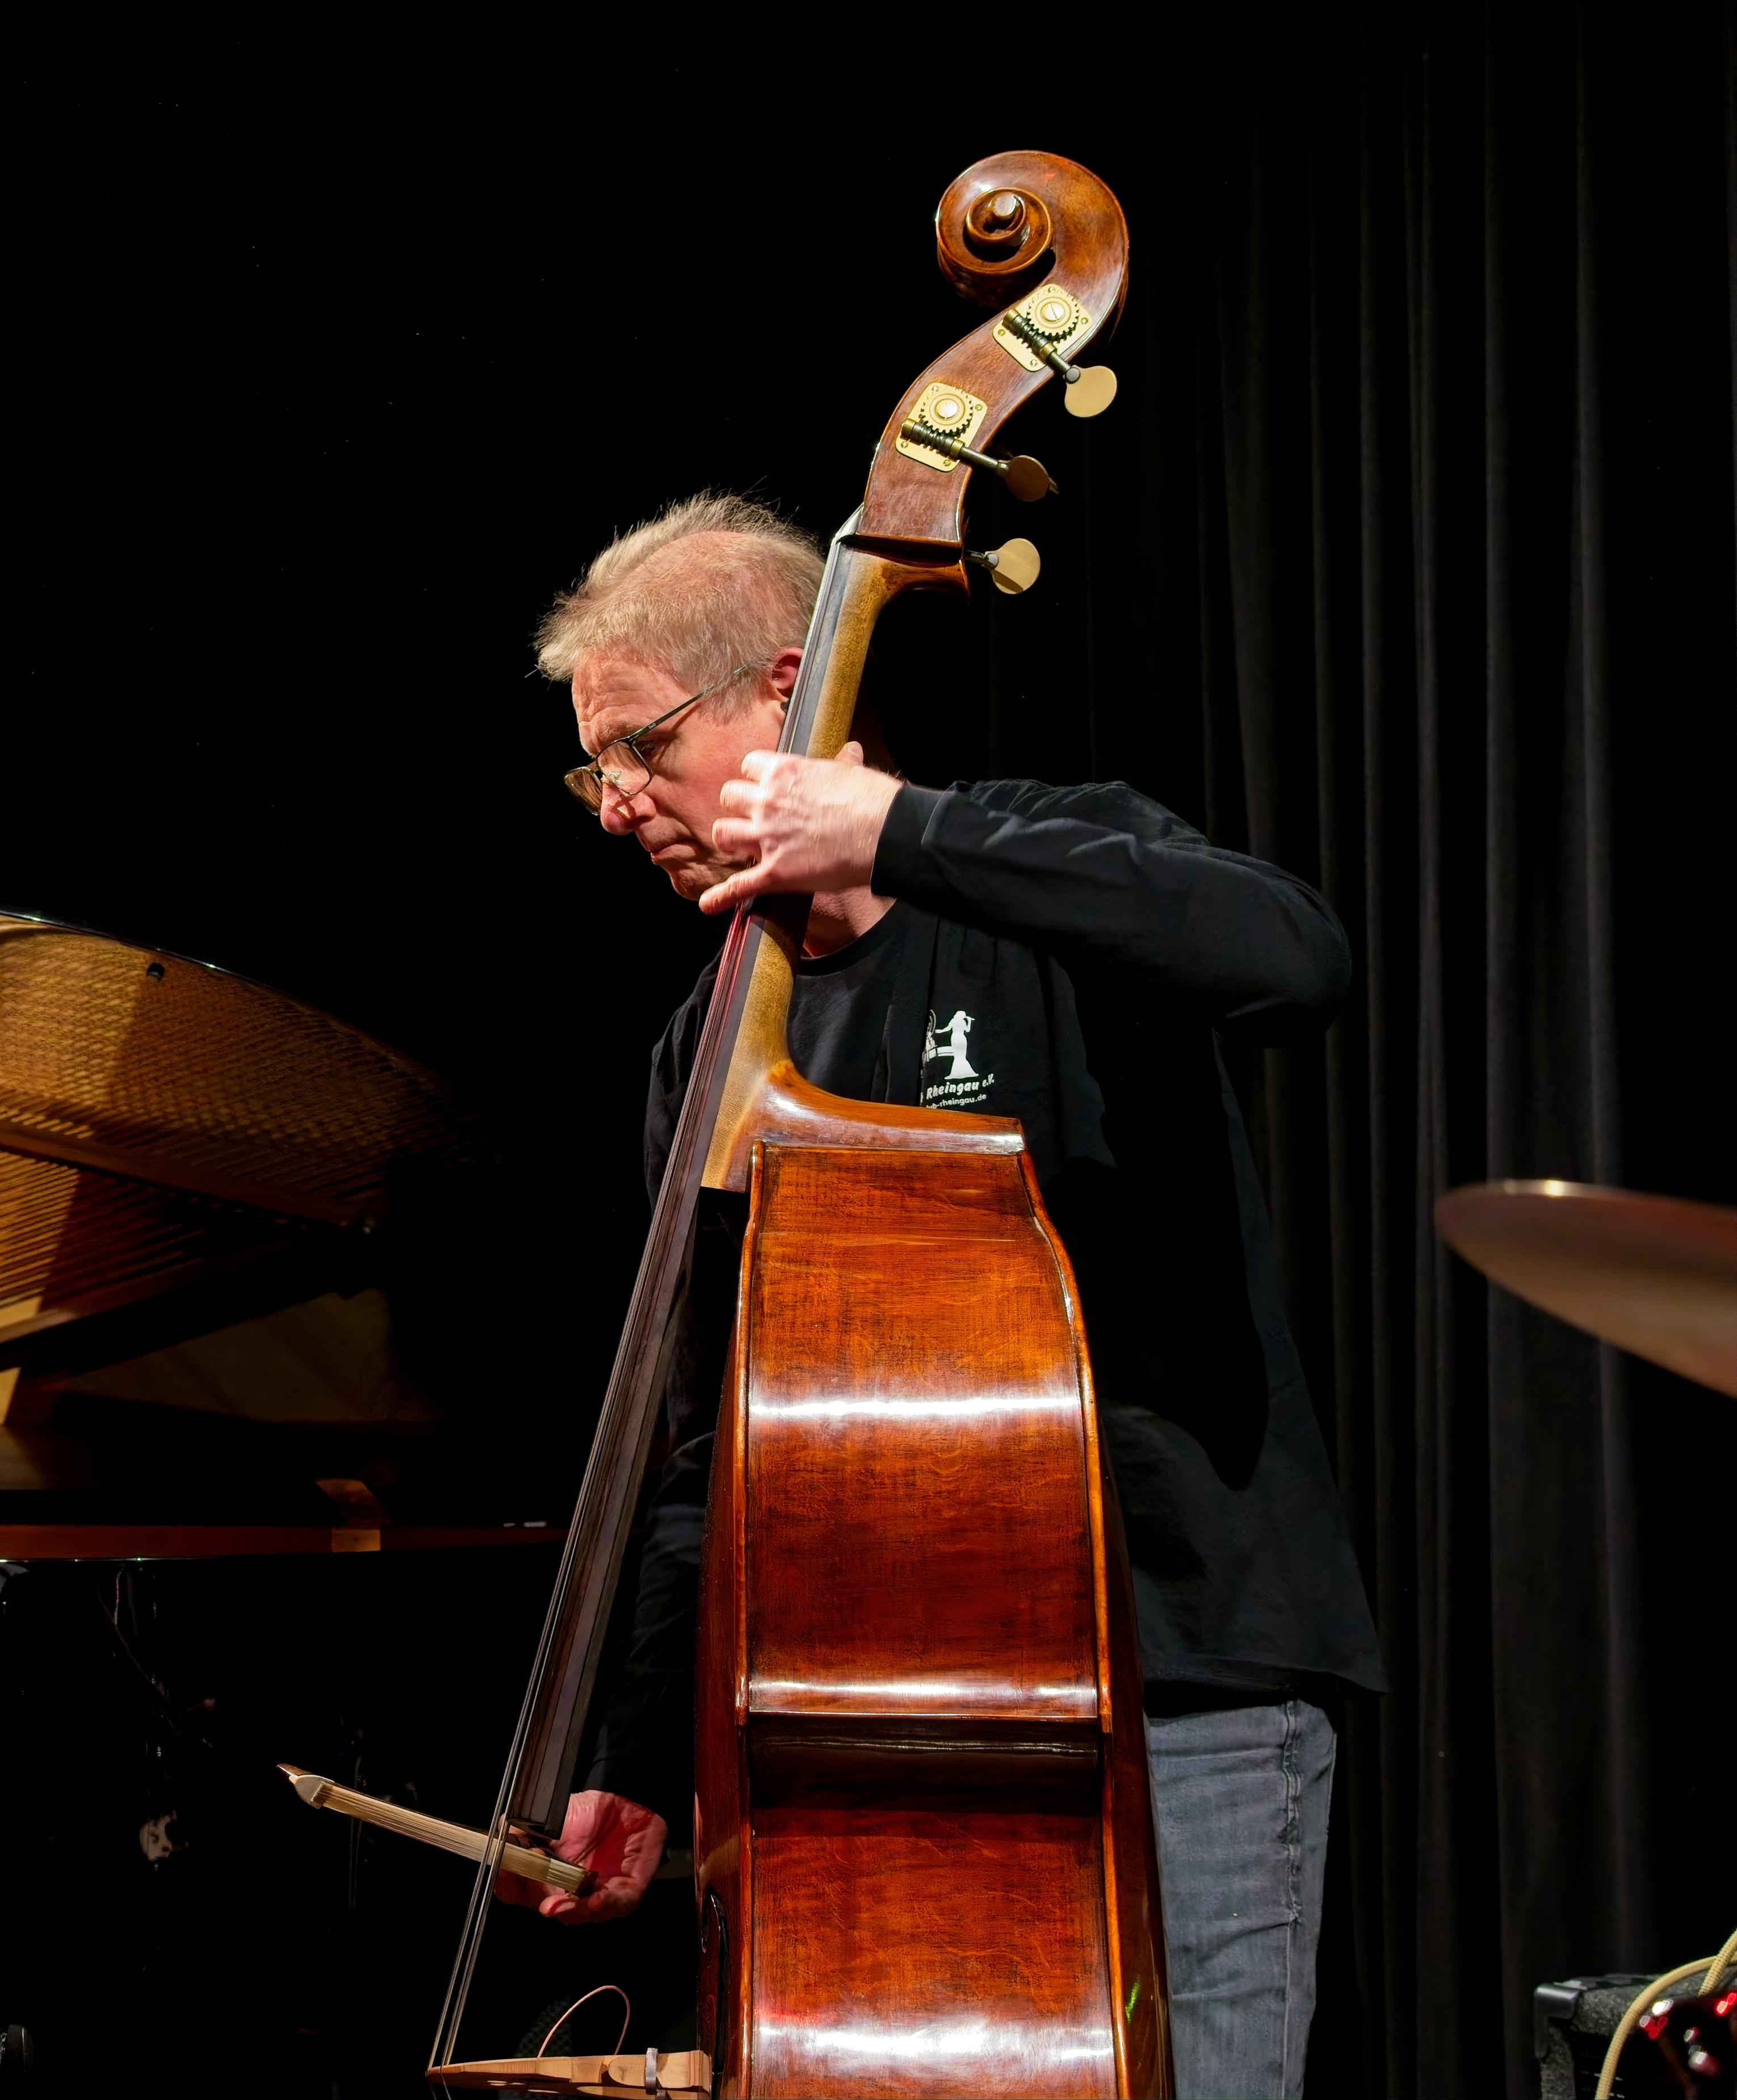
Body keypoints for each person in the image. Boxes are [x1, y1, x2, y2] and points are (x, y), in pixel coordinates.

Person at [518, 494, 1384, 2099]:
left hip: (1179, 1687)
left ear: (786, 690)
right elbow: (709, 1446)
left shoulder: (1040, 859)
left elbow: (1296, 957)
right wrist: (632, 1755)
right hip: (882, 1739)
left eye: (639, 745)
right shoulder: (708, 1049)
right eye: (594, 769)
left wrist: (900, 833)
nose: (614, 802)